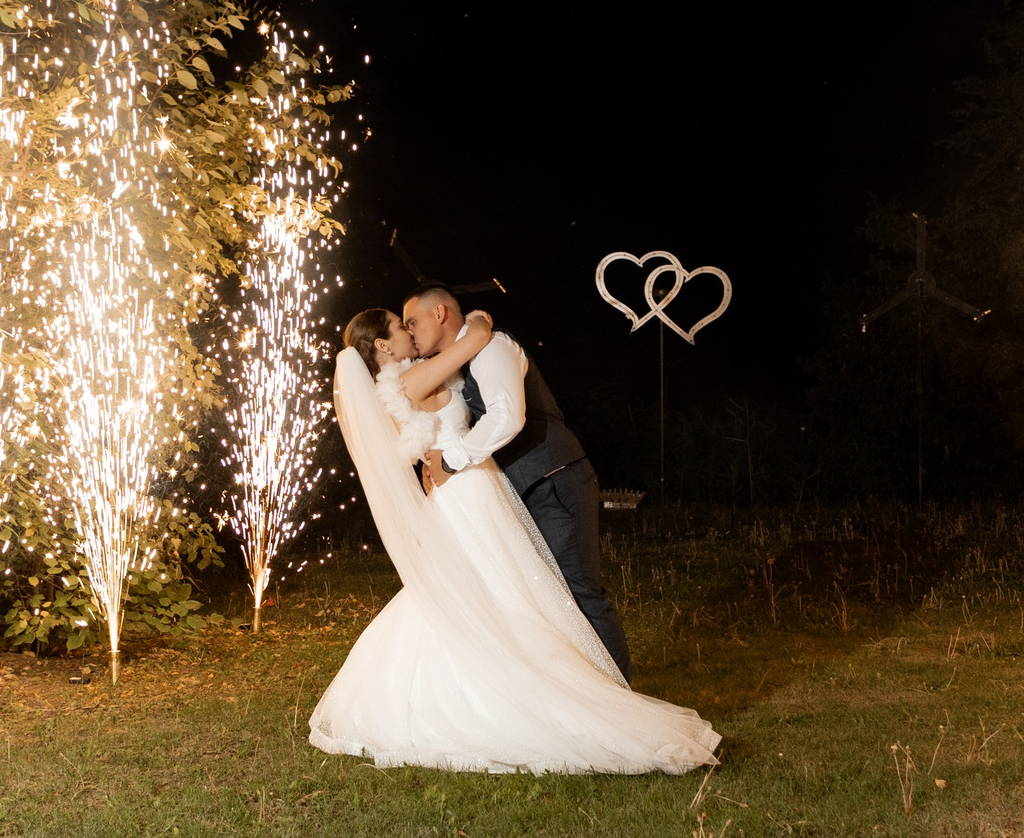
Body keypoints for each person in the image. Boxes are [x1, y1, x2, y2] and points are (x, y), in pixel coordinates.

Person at [306, 305, 719, 776]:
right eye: (402, 327)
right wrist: (478, 328)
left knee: (502, 589)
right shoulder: (406, 384)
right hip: (466, 493)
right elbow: (470, 345)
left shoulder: (411, 378)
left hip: (475, 487)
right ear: (381, 345)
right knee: (501, 590)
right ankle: (527, 693)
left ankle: (572, 681)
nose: (409, 332)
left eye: (411, 322)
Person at [402, 283, 632, 679]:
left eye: (413, 321)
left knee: (579, 592)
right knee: (548, 597)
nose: (410, 333)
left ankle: (619, 696)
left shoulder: (493, 348)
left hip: (554, 479)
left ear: (439, 313)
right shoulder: (468, 353)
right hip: (527, 488)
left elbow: (507, 415)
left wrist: (452, 460)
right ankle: (583, 688)